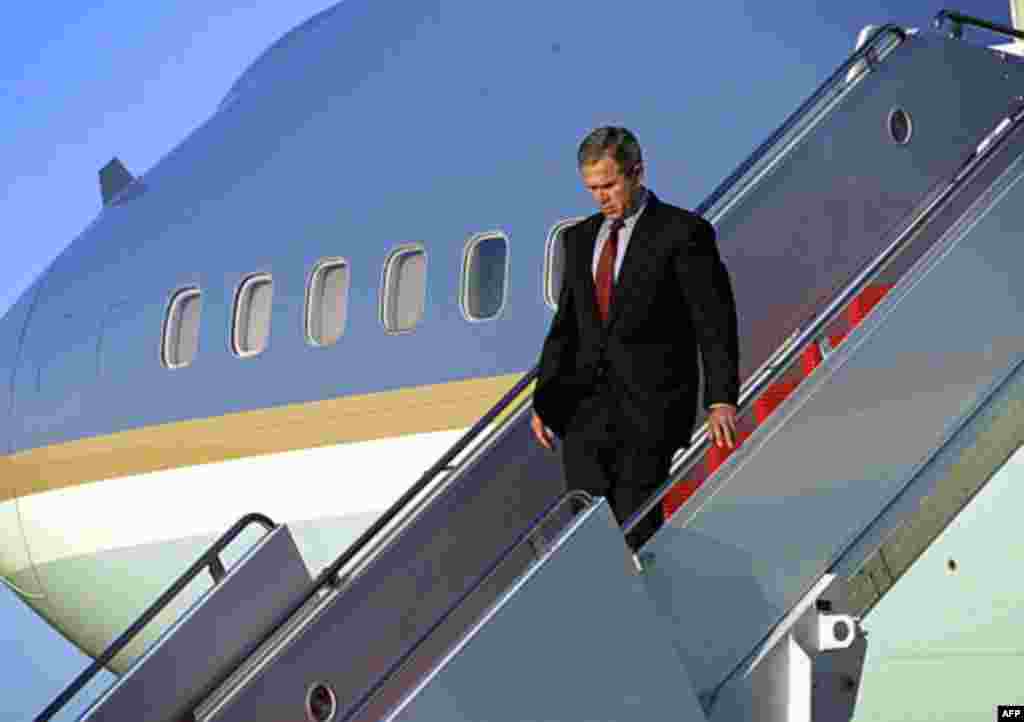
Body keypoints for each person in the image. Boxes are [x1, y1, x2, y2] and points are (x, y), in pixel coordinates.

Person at [531, 126, 740, 551]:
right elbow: (567, 326)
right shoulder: (579, 239)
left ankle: (642, 609)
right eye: (592, 188)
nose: (600, 197)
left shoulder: (683, 233)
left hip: (649, 412)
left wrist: (721, 399)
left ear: (637, 173)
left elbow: (713, 321)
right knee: (587, 534)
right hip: (583, 413)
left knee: (637, 531)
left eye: (609, 185)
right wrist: (544, 397)